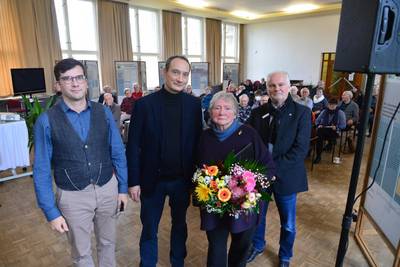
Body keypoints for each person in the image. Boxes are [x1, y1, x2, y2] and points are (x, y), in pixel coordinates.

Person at [33, 58, 128, 267]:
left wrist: (122, 188)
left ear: (86, 82)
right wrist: (51, 211)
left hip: (107, 189)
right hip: (72, 196)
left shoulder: (102, 112)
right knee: (81, 254)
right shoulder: (46, 121)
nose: (74, 83)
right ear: (58, 85)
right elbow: (41, 170)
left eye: (78, 77)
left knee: (108, 244)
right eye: (67, 79)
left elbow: (118, 151)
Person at [126, 55, 203, 267]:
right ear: (165, 72)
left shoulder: (194, 105)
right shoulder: (144, 105)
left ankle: (178, 262)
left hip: (182, 181)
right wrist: (133, 182)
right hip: (152, 180)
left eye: (185, 74)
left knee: (180, 225)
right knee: (150, 228)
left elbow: (197, 143)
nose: (180, 78)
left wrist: (197, 181)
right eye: (175, 72)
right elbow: (133, 146)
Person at [196, 91, 276, 267]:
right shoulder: (204, 138)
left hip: (243, 207)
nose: (222, 112)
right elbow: (196, 170)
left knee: (240, 250)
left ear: (235, 112)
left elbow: (268, 166)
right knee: (216, 249)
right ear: (210, 112)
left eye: (227, 108)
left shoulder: (249, 134)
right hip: (214, 207)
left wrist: (249, 188)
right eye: (217, 108)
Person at [247, 71, 311, 267]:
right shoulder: (258, 112)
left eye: (281, 85)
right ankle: (257, 246)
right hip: (260, 177)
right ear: (267, 88)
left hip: (287, 176)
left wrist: (271, 170)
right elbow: (250, 142)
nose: (277, 89)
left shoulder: (302, 113)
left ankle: (285, 255)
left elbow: (300, 151)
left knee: (289, 224)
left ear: (289, 86)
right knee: (258, 218)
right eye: (272, 86)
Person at [313, 98, 346, 164]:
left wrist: (336, 127)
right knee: (319, 133)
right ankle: (318, 155)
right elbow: (317, 121)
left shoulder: (340, 113)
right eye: (330, 105)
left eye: (333, 105)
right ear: (328, 105)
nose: (331, 107)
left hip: (334, 131)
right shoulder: (325, 111)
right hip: (324, 129)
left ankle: (330, 144)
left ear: (336, 105)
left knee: (320, 134)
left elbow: (343, 125)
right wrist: (319, 125)